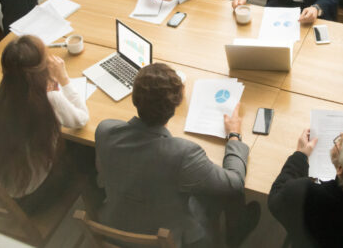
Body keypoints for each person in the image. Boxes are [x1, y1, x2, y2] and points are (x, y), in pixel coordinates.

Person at [95, 63, 260, 247]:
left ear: (134, 98)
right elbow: (235, 183)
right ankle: (235, 233)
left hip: (116, 222)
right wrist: (234, 136)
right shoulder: (184, 154)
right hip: (170, 237)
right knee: (224, 192)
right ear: (178, 103)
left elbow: (102, 175)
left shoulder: (105, 130)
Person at [0, 35, 95, 214]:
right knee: (89, 149)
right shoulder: (50, 100)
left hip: (4, 185)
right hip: (34, 198)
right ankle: (93, 203)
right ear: (42, 70)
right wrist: (64, 79)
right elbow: (81, 119)